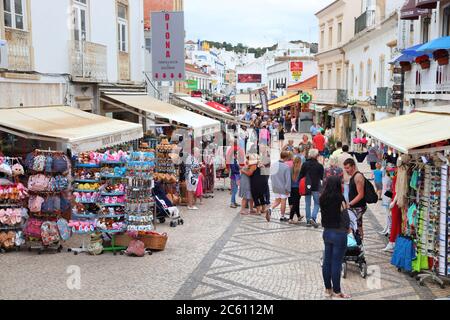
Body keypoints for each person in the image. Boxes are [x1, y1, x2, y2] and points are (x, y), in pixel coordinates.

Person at [320, 176, 352, 299]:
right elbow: (345, 216)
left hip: (327, 232)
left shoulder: (323, 198)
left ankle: (328, 289)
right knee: (336, 263)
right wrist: (348, 228)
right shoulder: (340, 198)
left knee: (327, 261)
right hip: (339, 233)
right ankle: (337, 291)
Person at [299, 149, 324, 228]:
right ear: (316, 156)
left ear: (309, 155)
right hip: (316, 186)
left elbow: (301, 175)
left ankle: (308, 220)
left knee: (307, 204)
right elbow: (322, 177)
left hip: (307, 187)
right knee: (317, 203)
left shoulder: (305, 164)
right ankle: (313, 217)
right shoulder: (319, 166)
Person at [343, 158, 367, 239]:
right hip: (355, 206)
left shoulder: (358, 176)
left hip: (359, 206)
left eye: (348, 168)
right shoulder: (353, 176)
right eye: (345, 168)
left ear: (353, 166)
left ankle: (359, 243)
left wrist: (350, 204)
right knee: (356, 224)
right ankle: (358, 242)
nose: (346, 170)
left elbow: (361, 194)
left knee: (357, 225)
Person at [267, 151, 292, 222]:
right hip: (283, 187)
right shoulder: (286, 167)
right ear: (286, 157)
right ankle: (282, 216)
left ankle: (270, 209)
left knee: (277, 201)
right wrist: (288, 189)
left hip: (275, 186)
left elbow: (271, 176)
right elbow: (288, 180)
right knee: (283, 201)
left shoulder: (274, 165)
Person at [379, 165, 394, 237]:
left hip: (388, 196)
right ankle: (386, 228)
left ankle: (389, 229)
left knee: (389, 214)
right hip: (385, 196)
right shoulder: (385, 177)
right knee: (387, 214)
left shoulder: (390, 178)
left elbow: (390, 189)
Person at [289, 156, 303, 224]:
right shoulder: (300, 169)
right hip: (298, 188)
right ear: (300, 162)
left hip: (292, 188)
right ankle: (290, 218)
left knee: (296, 202)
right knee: (295, 203)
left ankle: (298, 215)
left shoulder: (291, 168)